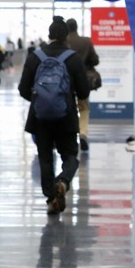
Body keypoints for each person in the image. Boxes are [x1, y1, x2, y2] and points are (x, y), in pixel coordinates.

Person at [19, 17, 90, 216]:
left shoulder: (35, 57)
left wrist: (39, 99)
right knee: (69, 156)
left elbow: (23, 89)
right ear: (66, 35)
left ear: (49, 35)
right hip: (66, 116)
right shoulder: (73, 58)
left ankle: (51, 199)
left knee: (45, 158)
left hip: (40, 118)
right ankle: (63, 181)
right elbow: (84, 91)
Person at [65, 18, 101, 151]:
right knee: (84, 108)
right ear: (77, 27)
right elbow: (95, 60)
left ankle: (68, 135)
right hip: (83, 80)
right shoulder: (86, 41)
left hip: (66, 82)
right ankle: (83, 134)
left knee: (67, 109)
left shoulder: (64, 43)